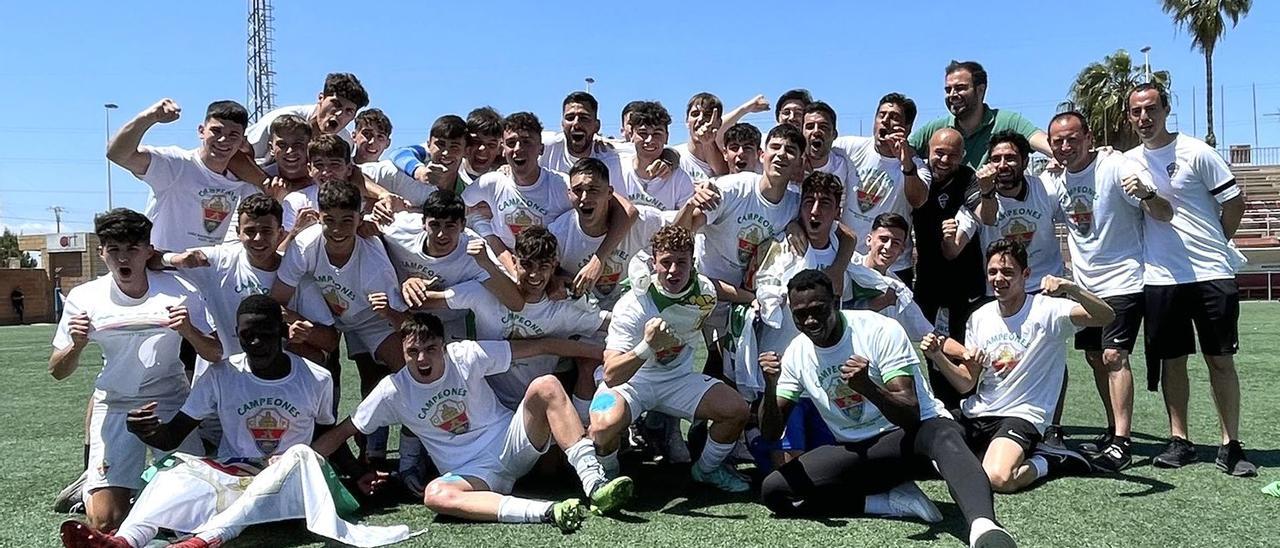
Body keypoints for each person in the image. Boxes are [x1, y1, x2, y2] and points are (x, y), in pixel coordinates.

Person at [56, 295, 404, 548]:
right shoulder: (221, 374)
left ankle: (202, 542)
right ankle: (126, 541)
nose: (255, 343)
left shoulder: (315, 377)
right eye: (247, 335)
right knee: (173, 470)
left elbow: (327, 434)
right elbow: (172, 436)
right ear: (237, 335)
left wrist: (359, 474)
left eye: (265, 334)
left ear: (283, 332)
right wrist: (148, 430)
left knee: (297, 454)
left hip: (292, 486)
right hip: (235, 475)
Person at [757, 270, 1014, 548]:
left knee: (943, 432)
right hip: (859, 451)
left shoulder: (880, 330)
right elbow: (771, 433)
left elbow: (911, 414)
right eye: (800, 314)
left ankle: (984, 527)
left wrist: (867, 387)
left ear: (835, 301)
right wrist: (770, 386)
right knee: (775, 491)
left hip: (911, 440)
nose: (810, 321)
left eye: (818, 310)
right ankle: (888, 501)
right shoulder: (797, 352)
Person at [313, 313, 634, 531]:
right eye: (413, 351)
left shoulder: (465, 355)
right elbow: (343, 431)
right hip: (470, 475)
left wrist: (603, 354)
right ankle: (548, 511)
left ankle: (596, 486)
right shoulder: (392, 390)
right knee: (435, 496)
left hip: (512, 446)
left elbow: (541, 346)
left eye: (430, 349)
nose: (422, 359)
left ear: (443, 346)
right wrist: (296, 462)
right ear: (403, 350)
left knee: (546, 385)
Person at [48, 208, 221, 532]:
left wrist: (189, 331)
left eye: (132, 249)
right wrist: (77, 344)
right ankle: (107, 485)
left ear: (148, 251)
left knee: (198, 516)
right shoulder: (85, 297)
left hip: (170, 403)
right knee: (104, 523)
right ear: (102, 253)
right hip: (114, 404)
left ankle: (150, 486)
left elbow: (214, 353)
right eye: (114, 250)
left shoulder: (180, 290)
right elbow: (58, 370)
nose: (123, 258)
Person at [1123, 83, 1255, 476]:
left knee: (1220, 359)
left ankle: (1230, 444)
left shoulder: (1197, 152)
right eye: (1136, 112)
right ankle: (1179, 440)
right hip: (1162, 277)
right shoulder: (1129, 161)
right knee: (1172, 362)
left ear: (1166, 109)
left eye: (1151, 109)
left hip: (1211, 273)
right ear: (1129, 117)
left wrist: (1217, 242)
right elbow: (1155, 211)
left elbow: (1235, 202)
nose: (1144, 118)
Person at [924, 238, 1114, 493]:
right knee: (925, 454)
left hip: (1022, 414)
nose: (999, 278)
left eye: (1007, 272)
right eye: (992, 272)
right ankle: (993, 451)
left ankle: (1050, 460)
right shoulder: (979, 317)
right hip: (979, 411)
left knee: (998, 478)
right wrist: (938, 356)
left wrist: (1072, 288)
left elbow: (1106, 315)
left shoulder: (1048, 311)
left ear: (1026, 274)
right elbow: (966, 382)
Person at [1045, 111, 1173, 471]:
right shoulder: (1056, 181)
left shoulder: (1116, 166)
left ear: (1088, 136)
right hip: (1085, 287)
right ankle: (1111, 429)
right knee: (1093, 358)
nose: (1066, 146)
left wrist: (1148, 194)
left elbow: (1164, 212)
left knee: (1114, 356)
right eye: (1058, 141)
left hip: (1124, 280)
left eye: (1072, 138)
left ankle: (1123, 440)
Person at [588, 225, 751, 492]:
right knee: (602, 428)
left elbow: (716, 291)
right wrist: (647, 346)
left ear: (693, 263)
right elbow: (611, 375)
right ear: (654, 263)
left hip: (678, 380)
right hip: (634, 383)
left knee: (737, 411)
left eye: (681, 262)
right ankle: (609, 475)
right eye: (666, 262)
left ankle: (707, 470)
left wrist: (751, 298)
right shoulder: (633, 306)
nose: (673, 270)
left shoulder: (705, 292)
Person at [401, 226, 608, 414]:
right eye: (527, 264)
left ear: (554, 265)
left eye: (543, 266)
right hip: (487, 404)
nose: (534, 274)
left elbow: (611, 324)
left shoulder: (565, 310)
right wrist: (410, 283)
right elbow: (422, 302)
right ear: (514, 261)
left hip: (536, 406)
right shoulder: (485, 291)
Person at [272, 180, 408, 462]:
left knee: (409, 372)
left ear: (360, 219)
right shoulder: (305, 244)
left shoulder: (375, 264)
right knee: (314, 365)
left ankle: (402, 453)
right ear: (319, 216)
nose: (337, 229)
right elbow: (278, 299)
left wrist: (390, 316)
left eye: (347, 220)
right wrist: (296, 325)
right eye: (329, 220)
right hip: (324, 311)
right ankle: (317, 442)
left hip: (372, 318)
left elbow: (401, 320)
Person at [461, 111, 637, 295]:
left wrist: (597, 260)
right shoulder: (491, 183)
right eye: (511, 143)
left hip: (547, 280)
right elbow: (457, 212)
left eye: (527, 142)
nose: (518, 149)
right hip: (506, 277)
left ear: (541, 149)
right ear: (502, 148)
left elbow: (628, 211)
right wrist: (485, 229)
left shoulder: (563, 185)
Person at [161, 194, 338, 368]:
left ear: (280, 233)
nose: (258, 238)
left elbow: (330, 342)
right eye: (250, 231)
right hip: (224, 375)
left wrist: (294, 321)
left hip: (275, 381)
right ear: (238, 232)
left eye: (266, 231)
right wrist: (174, 259)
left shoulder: (295, 274)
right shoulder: (218, 261)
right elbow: (152, 259)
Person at [675, 123, 803, 340]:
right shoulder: (732, 189)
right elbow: (678, 235)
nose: (781, 154)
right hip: (703, 297)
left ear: (799, 163)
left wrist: (796, 225)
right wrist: (689, 205)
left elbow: (844, 235)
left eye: (790, 150)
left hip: (749, 309)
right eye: (775, 147)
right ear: (762, 155)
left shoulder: (796, 205)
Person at [106, 99, 263, 252]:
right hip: (163, 271)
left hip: (206, 275)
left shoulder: (241, 180)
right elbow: (118, 154)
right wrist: (150, 117)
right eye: (216, 131)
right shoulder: (176, 164)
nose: (223, 140)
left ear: (242, 140)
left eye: (233, 135)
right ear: (201, 131)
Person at [910, 128, 988, 409]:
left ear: (963, 156)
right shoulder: (917, 177)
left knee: (968, 345)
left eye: (952, 155)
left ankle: (968, 406)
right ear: (928, 152)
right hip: (929, 282)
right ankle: (943, 407)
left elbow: (983, 214)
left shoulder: (968, 178)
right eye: (939, 153)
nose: (944, 159)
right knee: (931, 347)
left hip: (965, 282)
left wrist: (955, 236)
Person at [945, 130, 1064, 294]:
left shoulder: (1046, 189)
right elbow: (952, 251)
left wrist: (1097, 156)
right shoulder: (975, 199)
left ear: (1025, 162)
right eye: (995, 159)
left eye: (1010, 158)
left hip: (1047, 287)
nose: (1002, 165)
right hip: (1002, 292)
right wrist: (948, 238)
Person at [832, 93, 930, 284]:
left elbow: (918, 200)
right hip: (849, 259)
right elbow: (814, 151)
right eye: (881, 115)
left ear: (907, 128)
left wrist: (906, 164)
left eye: (894, 117)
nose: (885, 121)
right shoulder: (850, 147)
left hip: (894, 266)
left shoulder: (917, 167)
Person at [549, 158, 667, 310]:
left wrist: (693, 204)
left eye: (593, 190)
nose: (585, 198)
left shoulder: (643, 222)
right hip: (587, 320)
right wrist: (554, 280)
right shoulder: (558, 233)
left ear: (610, 192)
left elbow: (679, 227)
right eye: (578, 190)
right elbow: (542, 272)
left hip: (634, 313)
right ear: (569, 193)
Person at [909, 60, 1050, 168]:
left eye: (960, 88)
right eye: (948, 90)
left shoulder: (1008, 121)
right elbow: (900, 154)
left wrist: (1057, 157)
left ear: (981, 90)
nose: (952, 95)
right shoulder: (937, 129)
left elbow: (1046, 143)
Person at [245, 72, 370, 163]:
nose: (339, 114)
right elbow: (236, 155)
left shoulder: (344, 141)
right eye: (336, 104)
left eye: (348, 111)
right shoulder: (278, 121)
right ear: (321, 98)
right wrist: (266, 184)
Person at [615, 101, 695, 211]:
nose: (650, 140)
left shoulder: (680, 179)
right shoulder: (615, 170)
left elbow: (686, 223)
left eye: (657, 133)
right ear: (631, 135)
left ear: (666, 137)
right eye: (643, 133)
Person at [540, 91, 625, 189]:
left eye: (584, 118)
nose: (576, 123)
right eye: (570, 118)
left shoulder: (610, 156)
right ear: (562, 124)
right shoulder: (546, 147)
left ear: (596, 126)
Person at [383, 114, 472, 205]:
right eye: (440, 144)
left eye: (454, 147)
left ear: (466, 151)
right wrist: (382, 195)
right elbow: (398, 153)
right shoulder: (401, 174)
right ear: (428, 145)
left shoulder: (468, 195)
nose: (446, 153)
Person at [672, 93, 729, 180]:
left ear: (719, 123)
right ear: (687, 121)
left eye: (707, 115)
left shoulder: (730, 159)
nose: (701, 119)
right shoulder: (675, 158)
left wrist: (707, 143)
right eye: (695, 114)